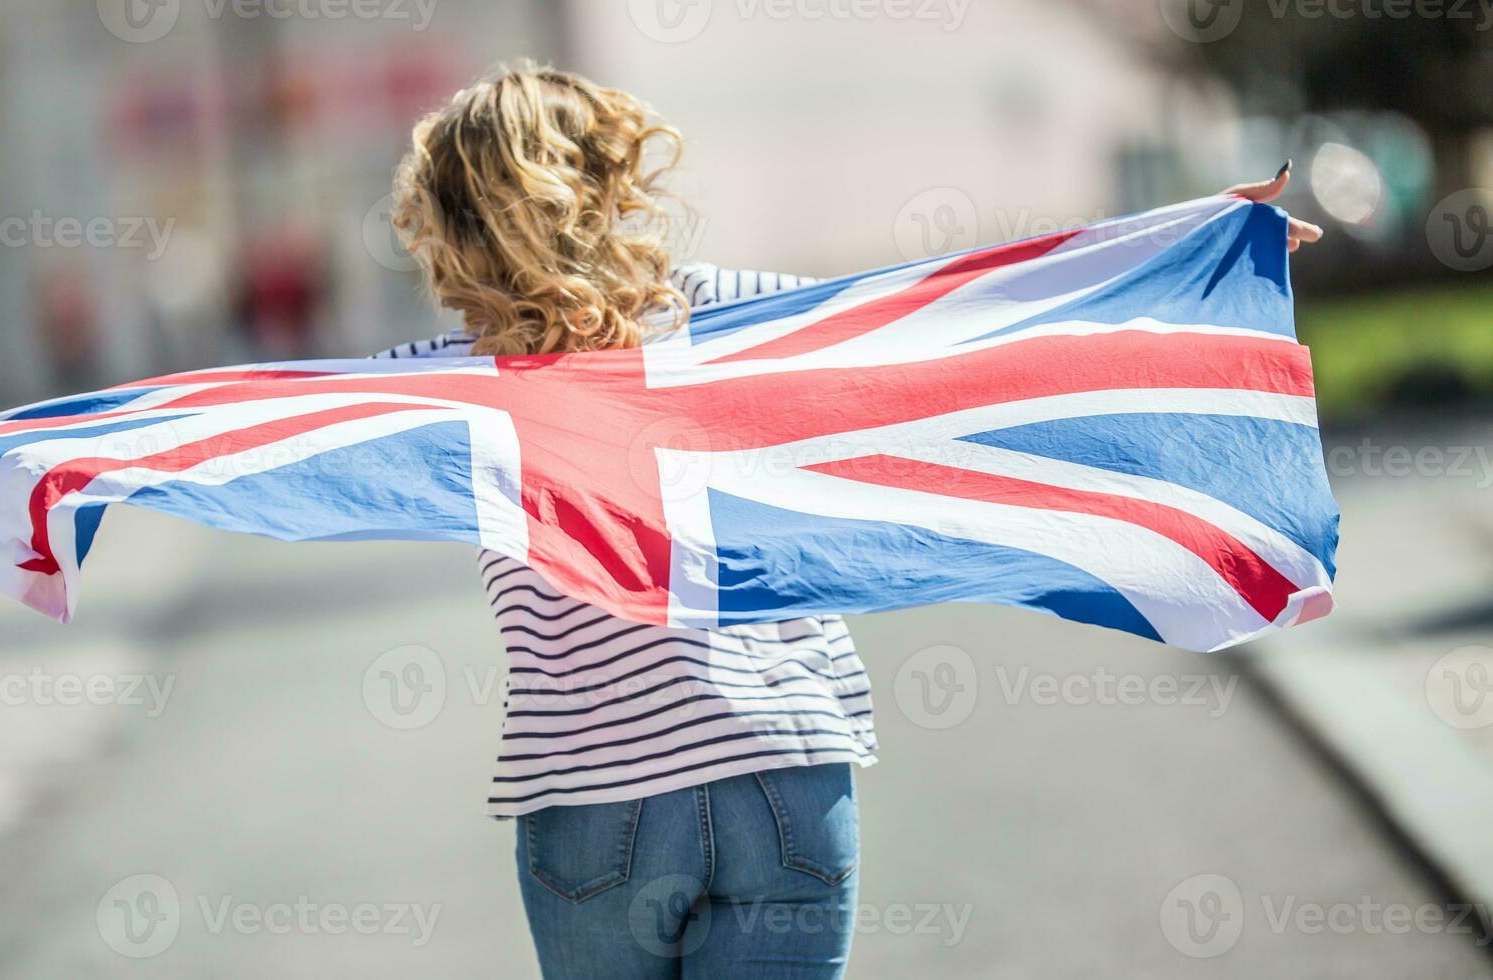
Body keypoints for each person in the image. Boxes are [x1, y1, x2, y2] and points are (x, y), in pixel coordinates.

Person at [370, 60, 1322, 979]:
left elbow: (239, 427)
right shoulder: (734, 319)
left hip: (593, 799)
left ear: (448, 222)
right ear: (606, 183)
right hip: (780, 768)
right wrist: (1183, 251)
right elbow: (958, 319)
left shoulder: (441, 386)